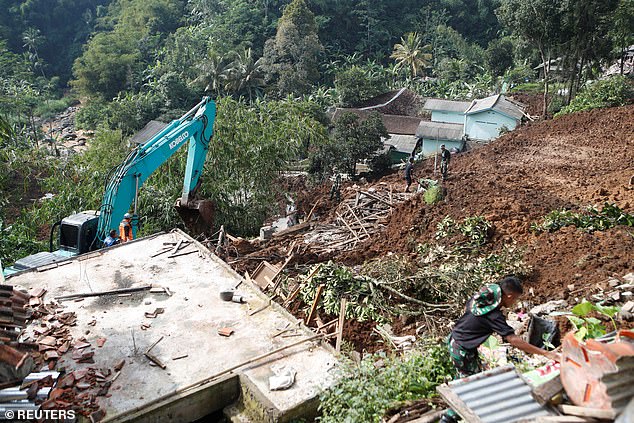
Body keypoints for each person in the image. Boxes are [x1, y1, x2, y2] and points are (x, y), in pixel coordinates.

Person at [439, 276, 561, 423]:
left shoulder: (482, 298)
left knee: (465, 381)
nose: (514, 303)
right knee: (472, 389)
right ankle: (448, 419)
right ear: (508, 296)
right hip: (462, 350)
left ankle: (451, 414)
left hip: (455, 341)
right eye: (514, 299)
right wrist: (547, 353)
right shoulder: (493, 315)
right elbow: (513, 340)